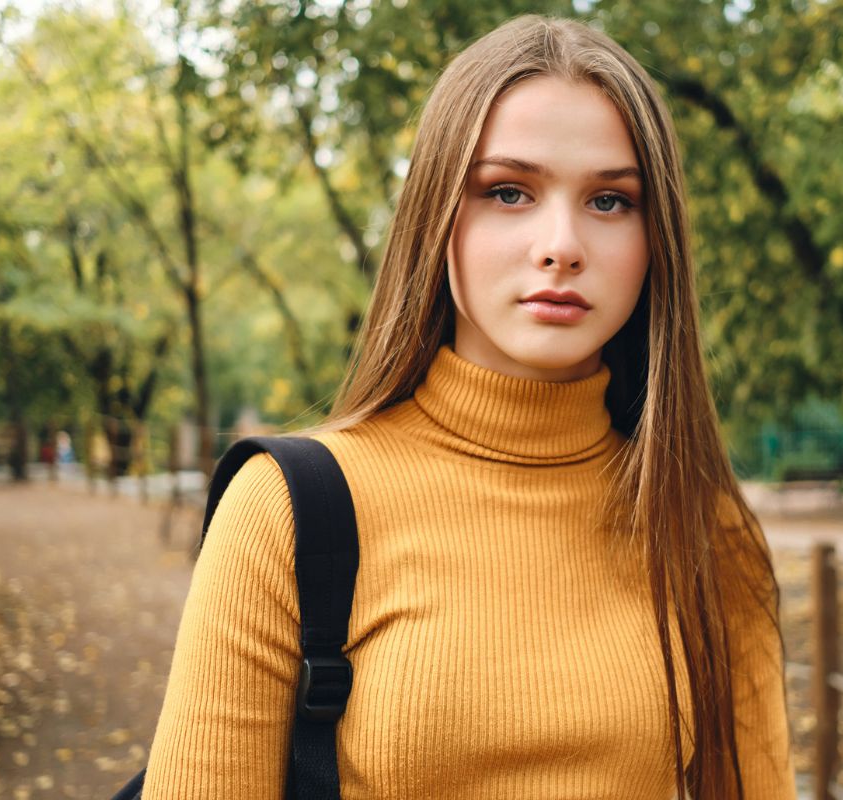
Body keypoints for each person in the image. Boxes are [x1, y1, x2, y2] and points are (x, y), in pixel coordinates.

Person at [143, 14, 793, 800]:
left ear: (658, 240)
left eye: (611, 201)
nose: (561, 244)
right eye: (509, 192)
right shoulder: (285, 512)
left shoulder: (703, 526)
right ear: (436, 216)